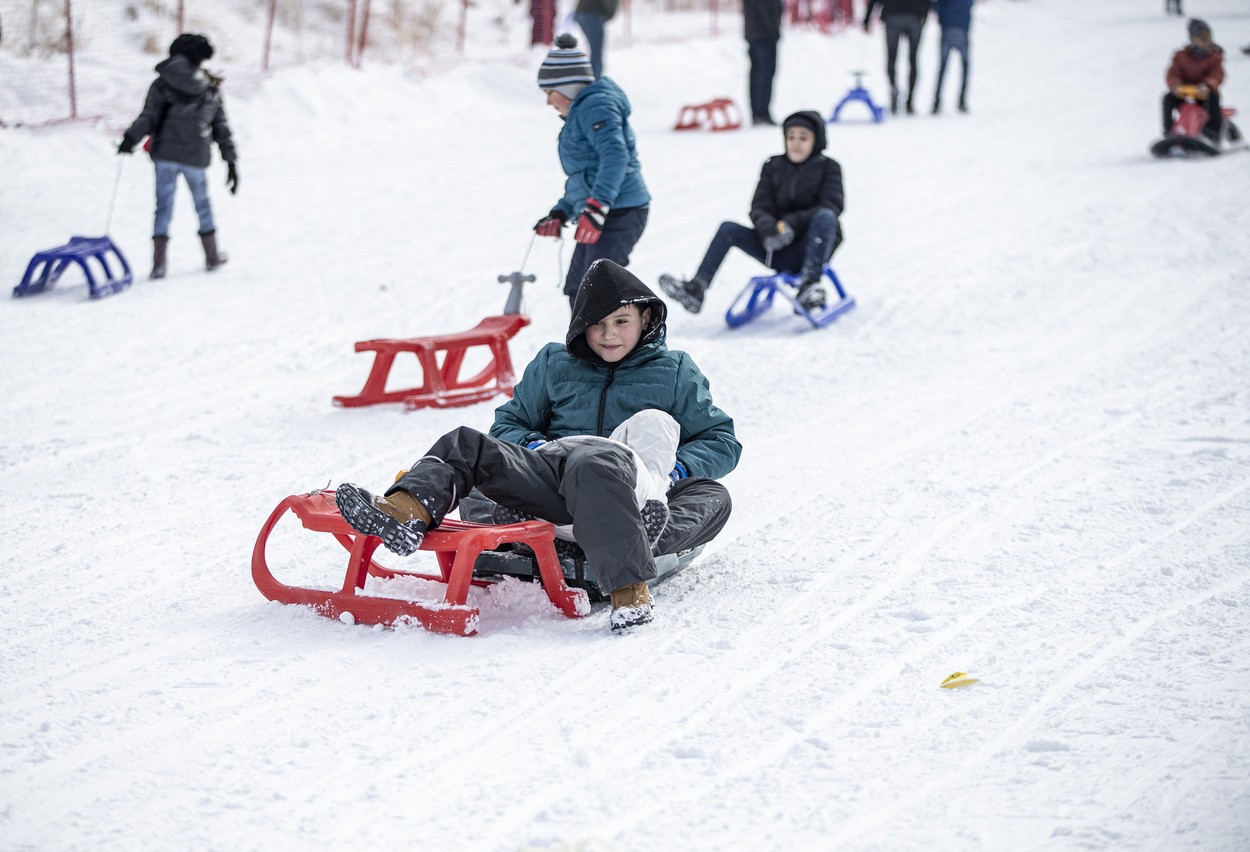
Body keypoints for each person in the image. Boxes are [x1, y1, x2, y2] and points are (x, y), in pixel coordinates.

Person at [334, 260, 741, 633]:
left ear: (646, 317)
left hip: (637, 487)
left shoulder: (673, 371)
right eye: (597, 325)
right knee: (465, 445)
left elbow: (721, 439)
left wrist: (673, 472)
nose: (609, 335)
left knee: (711, 497)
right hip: (551, 479)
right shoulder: (555, 363)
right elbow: (509, 423)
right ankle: (406, 512)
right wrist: (536, 446)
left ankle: (617, 554)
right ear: (581, 325)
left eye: (621, 321)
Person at [659, 110, 844, 315]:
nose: (796, 143)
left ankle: (809, 286)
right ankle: (697, 288)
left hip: (812, 248)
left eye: (803, 137)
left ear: (816, 140)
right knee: (728, 228)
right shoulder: (773, 166)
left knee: (826, 216)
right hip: (776, 248)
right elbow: (759, 206)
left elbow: (833, 204)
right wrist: (768, 230)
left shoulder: (829, 167)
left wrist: (791, 224)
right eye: (791, 137)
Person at [533, 34, 651, 311]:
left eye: (550, 93)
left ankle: (622, 349)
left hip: (621, 211)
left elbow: (615, 155)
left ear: (568, 88)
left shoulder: (596, 106)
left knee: (598, 292)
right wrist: (562, 211)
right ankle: (588, 353)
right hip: (603, 210)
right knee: (578, 288)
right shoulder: (582, 111)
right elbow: (586, 173)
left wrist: (597, 207)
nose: (549, 102)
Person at [118, 33, 238, 279]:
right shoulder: (210, 87)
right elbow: (221, 127)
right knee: (202, 204)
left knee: (163, 206)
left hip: (166, 155)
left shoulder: (162, 84)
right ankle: (212, 256)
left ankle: (159, 265)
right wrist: (230, 161)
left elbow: (148, 117)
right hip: (196, 156)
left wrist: (130, 138)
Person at [1162, 18, 1226, 146]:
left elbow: (1217, 74)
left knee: (1213, 98)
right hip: (1184, 92)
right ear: (1193, 39)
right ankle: (1169, 131)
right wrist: (1176, 86)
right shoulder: (1181, 56)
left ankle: (1212, 133)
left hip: (1204, 93)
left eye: (1207, 38)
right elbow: (1173, 73)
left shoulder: (1214, 57)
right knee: (1167, 98)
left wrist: (1207, 85)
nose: (1204, 42)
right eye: (1200, 38)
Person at [862, 0, 930, 115]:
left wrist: (867, 18)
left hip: (892, 14)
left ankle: (893, 88)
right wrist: (924, 14)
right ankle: (909, 100)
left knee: (891, 58)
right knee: (913, 60)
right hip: (914, 16)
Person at [743, 0, 783, 126]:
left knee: (759, 74)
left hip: (758, 34)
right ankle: (761, 113)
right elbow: (764, 9)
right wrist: (773, 30)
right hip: (763, 35)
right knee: (763, 75)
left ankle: (759, 113)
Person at [932, 0, 972, 114]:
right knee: (965, 68)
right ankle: (962, 101)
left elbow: (935, 6)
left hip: (947, 30)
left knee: (942, 68)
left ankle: (936, 102)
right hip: (962, 31)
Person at [574, 0, 618, 79]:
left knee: (595, 52)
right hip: (593, 13)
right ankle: (594, 81)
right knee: (596, 53)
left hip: (585, 12)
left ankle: (591, 79)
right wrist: (608, 12)